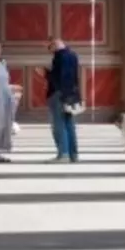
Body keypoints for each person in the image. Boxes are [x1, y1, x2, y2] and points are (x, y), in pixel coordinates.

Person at [46, 35, 82, 163]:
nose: (50, 51)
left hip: (58, 94)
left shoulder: (59, 56)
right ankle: (73, 154)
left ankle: (64, 154)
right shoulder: (73, 55)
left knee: (59, 125)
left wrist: (45, 73)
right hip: (71, 95)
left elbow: (58, 78)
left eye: (50, 47)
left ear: (55, 44)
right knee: (69, 124)